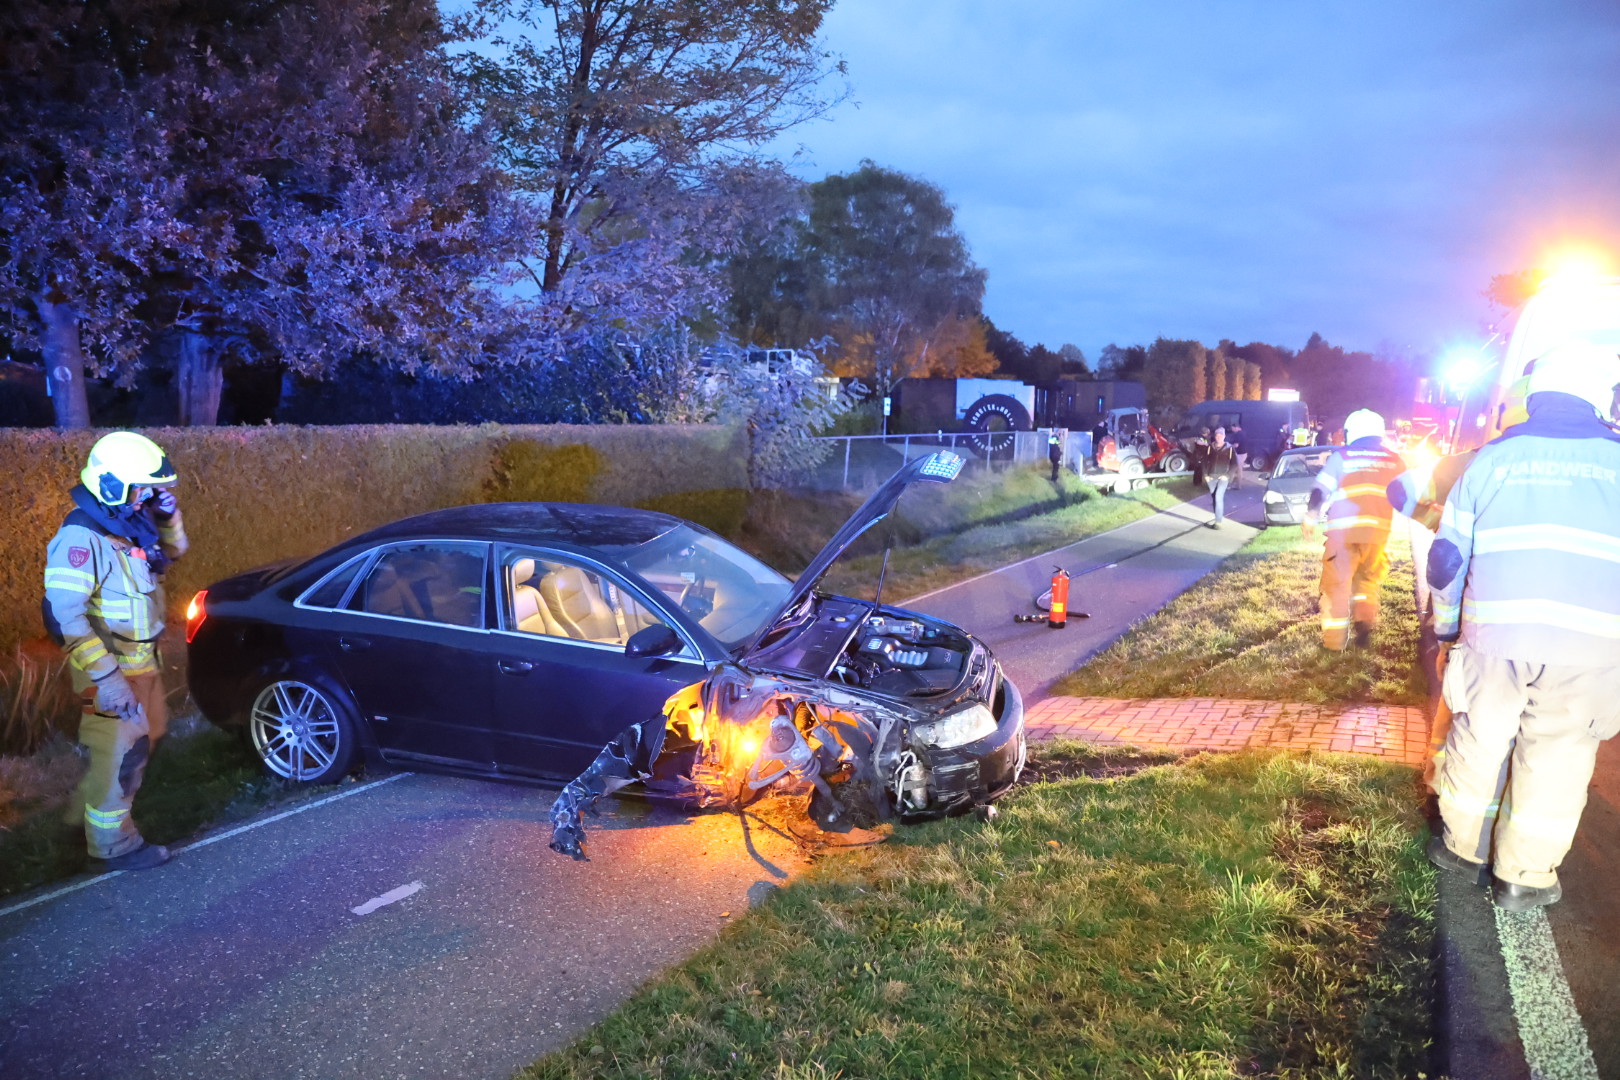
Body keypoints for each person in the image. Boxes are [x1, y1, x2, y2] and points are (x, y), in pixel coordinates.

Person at [1425, 341, 1620, 911]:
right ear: (1600, 398)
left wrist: (1446, 630)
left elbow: (1446, 561)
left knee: (1480, 736)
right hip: (1592, 647)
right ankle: (1523, 877)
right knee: (1560, 755)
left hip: (1495, 638)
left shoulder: (1490, 460)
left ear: (1533, 398)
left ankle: (1462, 849)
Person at [43, 432, 188, 870]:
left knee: (150, 735)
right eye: (141, 487)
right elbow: (67, 616)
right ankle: (113, 846)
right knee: (124, 754)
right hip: (111, 672)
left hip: (142, 664)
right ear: (110, 485)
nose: (148, 495)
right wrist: (107, 682)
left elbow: (175, 550)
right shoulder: (80, 539)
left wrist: (168, 516)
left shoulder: (130, 521)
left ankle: (80, 819)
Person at [1301, 409, 1404, 650]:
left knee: (1337, 587)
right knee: (1366, 583)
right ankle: (1364, 627)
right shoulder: (1394, 460)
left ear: (1352, 431)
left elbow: (1320, 490)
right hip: (1377, 536)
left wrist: (1310, 517)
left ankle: (1334, 644)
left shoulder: (1342, 457)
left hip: (1343, 535)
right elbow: (1408, 495)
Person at [1201, 426, 1238, 528]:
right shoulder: (1209, 447)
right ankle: (1217, 517)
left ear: (1224, 436)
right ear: (1215, 436)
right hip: (1211, 477)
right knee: (1214, 498)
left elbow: (1234, 464)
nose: (1219, 437)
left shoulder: (1230, 449)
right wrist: (1205, 475)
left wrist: (1227, 476)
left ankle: (1218, 522)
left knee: (1218, 497)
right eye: (1217, 435)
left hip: (1223, 477)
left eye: (1221, 435)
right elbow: (1204, 462)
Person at [1227, 423, 1247, 487]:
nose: (1232, 430)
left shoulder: (1238, 434)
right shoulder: (1244, 433)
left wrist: (1229, 446)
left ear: (1236, 427)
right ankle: (1234, 483)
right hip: (1244, 453)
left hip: (1239, 454)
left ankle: (1238, 485)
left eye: (1232, 428)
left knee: (1238, 469)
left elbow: (1236, 445)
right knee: (1236, 468)